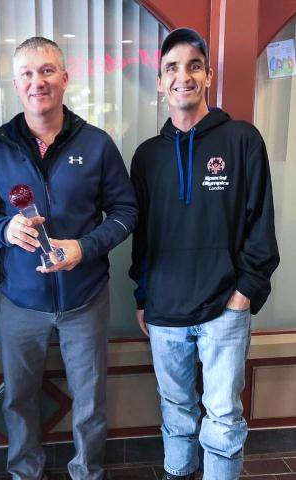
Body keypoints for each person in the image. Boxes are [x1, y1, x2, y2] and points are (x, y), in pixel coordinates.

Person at [0, 37, 137, 480]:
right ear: (15, 84)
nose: (36, 81)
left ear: (65, 77)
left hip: (85, 298)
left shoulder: (97, 143)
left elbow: (126, 210)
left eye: (46, 71)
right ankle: (26, 474)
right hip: (20, 300)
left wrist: (85, 247)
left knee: (89, 397)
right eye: (26, 73)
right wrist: (4, 229)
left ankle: (88, 473)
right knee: (19, 398)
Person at [129, 28, 280, 480]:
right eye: (171, 68)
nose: (183, 76)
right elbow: (142, 237)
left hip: (224, 311)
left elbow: (261, 224)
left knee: (223, 419)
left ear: (209, 75)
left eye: (194, 65)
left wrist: (244, 295)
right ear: (160, 82)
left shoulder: (242, 140)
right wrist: (143, 296)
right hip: (164, 312)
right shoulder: (147, 156)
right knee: (176, 413)